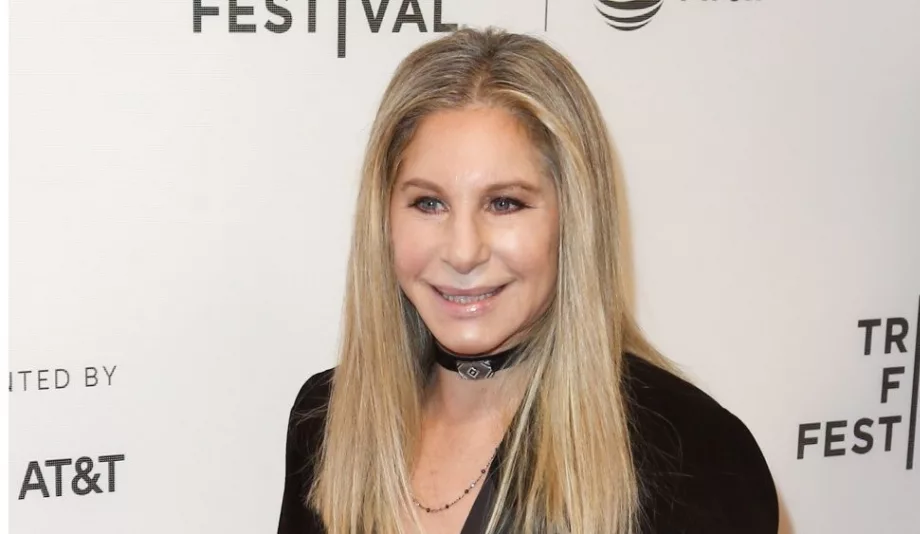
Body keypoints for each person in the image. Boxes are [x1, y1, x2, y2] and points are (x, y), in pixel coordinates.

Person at [278, 27, 778, 534]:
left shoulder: (694, 453)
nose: (462, 251)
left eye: (504, 203)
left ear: (573, 219)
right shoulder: (327, 419)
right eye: (428, 203)